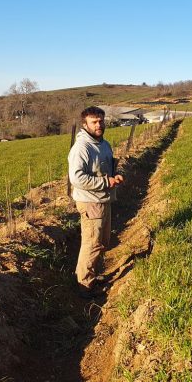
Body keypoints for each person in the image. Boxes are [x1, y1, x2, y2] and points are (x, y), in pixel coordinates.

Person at [68, 106, 124, 298]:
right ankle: (84, 285)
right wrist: (105, 182)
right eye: (94, 121)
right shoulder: (82, 148)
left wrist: (115, 175)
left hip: (104, 199)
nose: (99, 124)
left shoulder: (104, 144)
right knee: (92, 243)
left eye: (101, 120)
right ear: (85, 124)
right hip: (90, 201)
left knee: (103, 242)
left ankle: (91, 275)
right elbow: (76, 178)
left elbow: (107, 167)